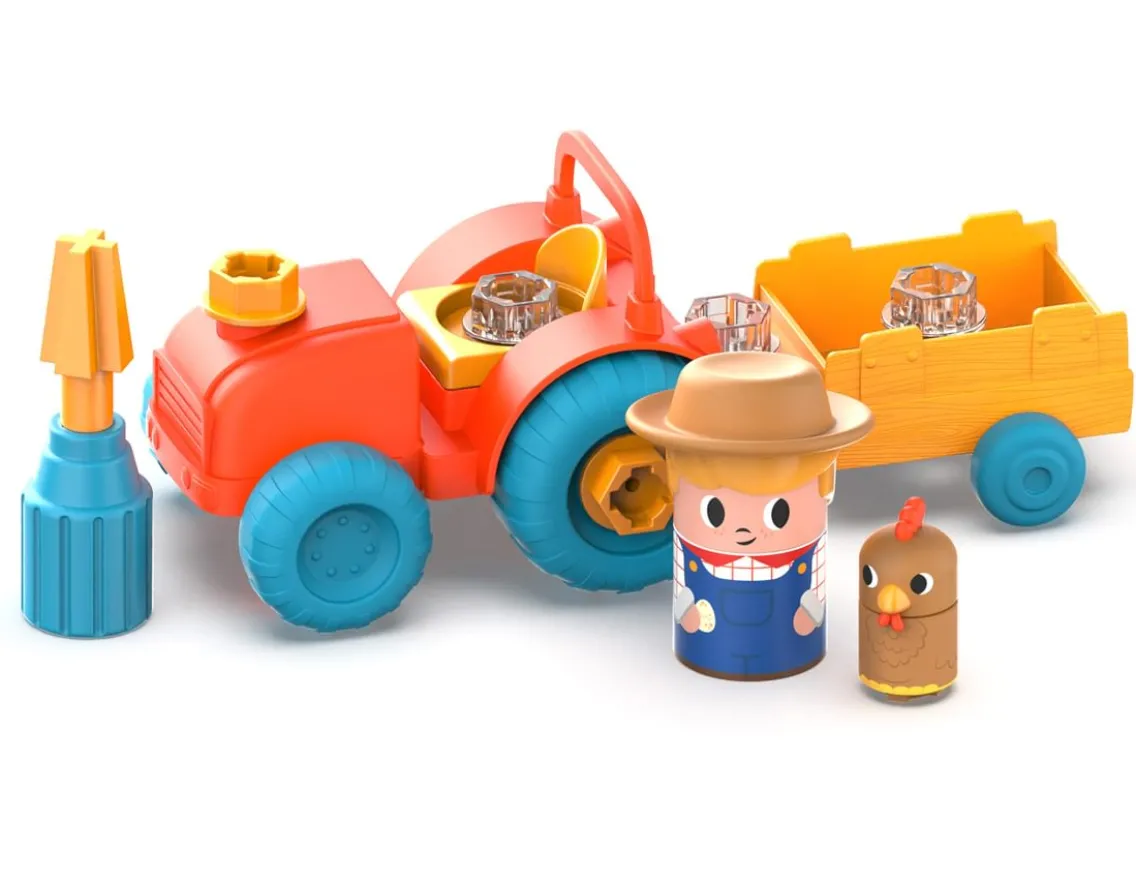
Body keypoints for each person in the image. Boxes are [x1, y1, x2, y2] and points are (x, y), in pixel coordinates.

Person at [625, 350, 874, 680]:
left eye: (778, 513)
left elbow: (813, 595)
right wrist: (688, 613)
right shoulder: (691, 555)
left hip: (789, 646)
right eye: (715, 512)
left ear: (826, 483)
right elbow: (685, 591)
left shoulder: (807, 556)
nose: (744, 530)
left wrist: (809, 616)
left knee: (788, 648)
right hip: (706, 646)